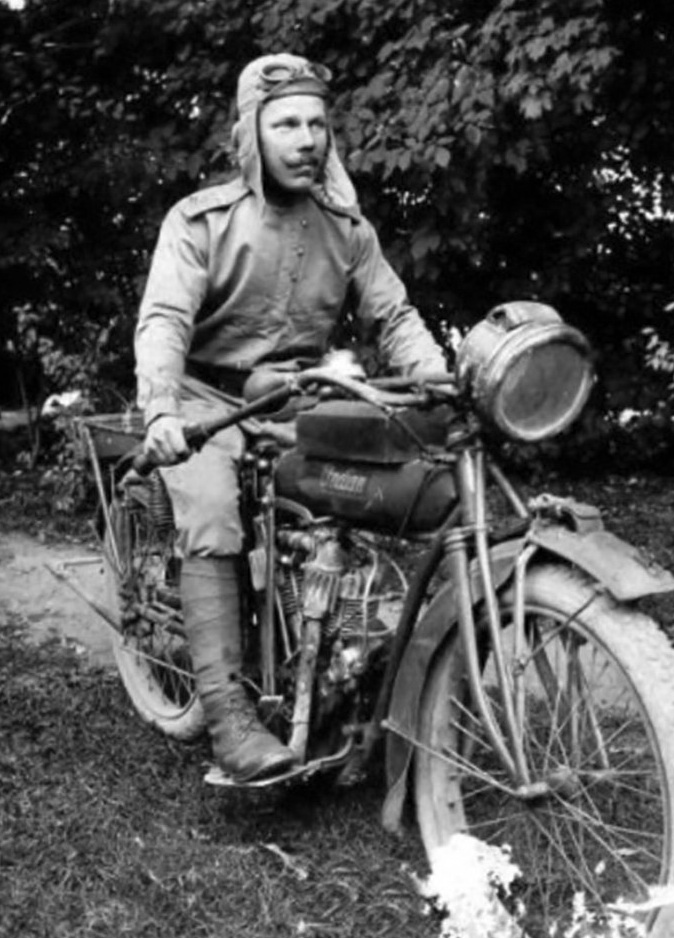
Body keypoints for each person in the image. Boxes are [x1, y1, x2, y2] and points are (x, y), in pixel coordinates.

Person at [134, 53, 447, 783]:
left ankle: (360, 683)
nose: (306, 139)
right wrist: (160, 410)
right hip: (204, 400)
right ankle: (230, 722)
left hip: (294, 399)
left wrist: (439, 382)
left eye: (316, 124)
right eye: (286, 124)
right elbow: (164, 321)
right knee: (212, 508)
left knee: (378, 485)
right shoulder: (200, 221)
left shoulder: (346, 228)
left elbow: (394, 315)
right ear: (252, 134)